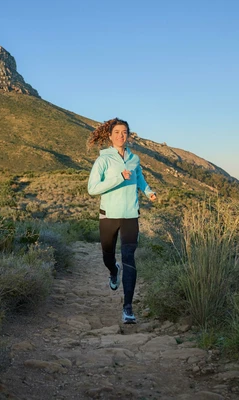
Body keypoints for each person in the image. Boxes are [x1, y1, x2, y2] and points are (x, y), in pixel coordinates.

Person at [87, 118, 156, 324]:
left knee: (129, 258)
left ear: (128, 135)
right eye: (116, 132)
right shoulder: (103, 160)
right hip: (108, 215)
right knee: (108, 256)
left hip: (130, 215)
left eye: (124, 132)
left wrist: (148, 192)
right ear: (110, 136)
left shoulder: (135, 159)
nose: (120, 135)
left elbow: (139, 178)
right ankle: (113, 270)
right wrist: (119, 177)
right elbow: (92, 189)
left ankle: (128, 308)